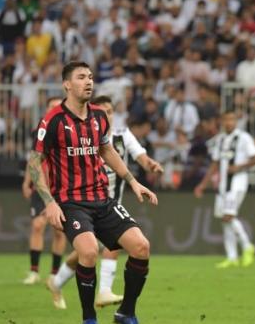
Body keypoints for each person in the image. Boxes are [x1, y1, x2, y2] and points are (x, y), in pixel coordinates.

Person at [28, 61, 158, 324]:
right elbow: (34, 162)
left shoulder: (99, 116)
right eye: (81, 77)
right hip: (70, 201)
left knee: (141, 247)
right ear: (67, 84)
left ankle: (126, 313)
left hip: (102, 198)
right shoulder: (52, 120)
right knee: (88, 252)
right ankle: (89, 319)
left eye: (90, 77)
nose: (88, 81)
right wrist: (50, 202)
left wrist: (132, 181)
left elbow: (107, 150)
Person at [47, 95, 164, 310]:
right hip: (80, 204)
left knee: (97, 249)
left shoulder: (121, 135)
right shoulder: (80, 135)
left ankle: (60, 282)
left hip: (109, 204)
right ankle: (99, 292)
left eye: (111, 111)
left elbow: (139, 154)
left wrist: (150, 165)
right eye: (104, 111)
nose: (107, 115)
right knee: (90, 250)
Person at [194, 110, 255, 268]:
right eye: (226, 120)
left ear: (236, 121)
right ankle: (232, 257)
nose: (229, 122)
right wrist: (203, 184)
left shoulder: (243, 138)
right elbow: (215, 164)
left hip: (237, 183)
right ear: (222, 122)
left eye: (232, 119)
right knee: (224, 221)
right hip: (223, 186)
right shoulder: (221, 139)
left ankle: (247, 246)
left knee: (228, 217)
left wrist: (239, 166)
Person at [22, 97, 67, 287]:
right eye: (51, 106)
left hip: (62, 187)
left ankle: (55, 273)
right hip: (41, 187)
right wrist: (27, 181)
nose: (54, 109)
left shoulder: (68, 131)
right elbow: (33, 159)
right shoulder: (39, 131)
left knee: (59, 230)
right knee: (38, 225)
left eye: (57, 106)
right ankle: (34, 271)